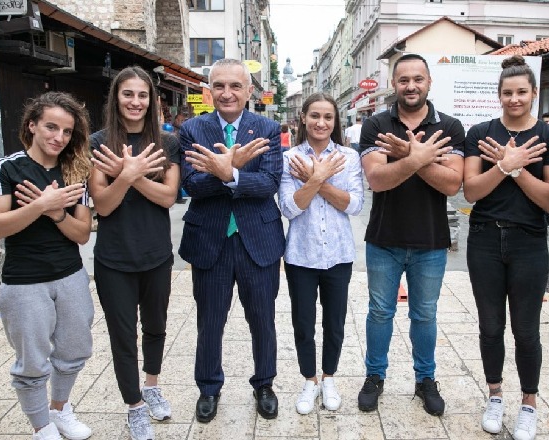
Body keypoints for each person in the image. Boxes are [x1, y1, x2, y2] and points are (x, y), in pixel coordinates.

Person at [463, 55, 549, 440]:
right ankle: (494, 394)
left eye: (522, 91)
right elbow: (471, 190)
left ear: (534, 93)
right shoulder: (480, 132)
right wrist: (503, 166)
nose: (514, 99)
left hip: (529, 242)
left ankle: (528, 403)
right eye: (507, 92)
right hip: (485, 238)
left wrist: (518, 167)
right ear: (498, 94)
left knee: (526, 330)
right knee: (490, 326)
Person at [356, 53, 465, 416]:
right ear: (394, 84)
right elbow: (377, 179)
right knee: (379, 313)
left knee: (424, 316)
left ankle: (425, 380)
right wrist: (420, 159)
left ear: (429, 82)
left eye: (418, 79)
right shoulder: (376, 125)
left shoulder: (450, 127)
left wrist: (408, 158)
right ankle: (374, 376)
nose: (411, 86)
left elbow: (452, 184)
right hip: (384, 238)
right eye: (403, 80)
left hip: (431, 241)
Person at [0, 91, 94, 440]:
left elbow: (81, 234)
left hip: (71, 276)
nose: (58, 137)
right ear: (31, 125)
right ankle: (41, 427)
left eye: (66, 131)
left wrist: (56, 211)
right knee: (31, 362)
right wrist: (41, 204)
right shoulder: (5, 168)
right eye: (50, 127)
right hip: (24, 281)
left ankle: (59, 410)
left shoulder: (77, 170)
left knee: (75, 350)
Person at [179, 58, 285, 423]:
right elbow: (192, 185)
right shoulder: (193, 129)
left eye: (235, 86)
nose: (227, 93)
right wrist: (227, 172)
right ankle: (208, 388)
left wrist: (230, 173)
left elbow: (269, 183)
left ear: (249, 91)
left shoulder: (268, 128)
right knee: (210, 320)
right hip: (211, 240)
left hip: (258, 239)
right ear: (209, 91)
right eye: (219, 86)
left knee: (263, 318)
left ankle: (265, 383)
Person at [88, 66, 180, 440]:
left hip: (156, 254)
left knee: (155, 327)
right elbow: (104, 206)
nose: (136, 102)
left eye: (143, 95)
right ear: (116, 98)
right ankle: (134, 406)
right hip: (114, 259)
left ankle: (152, 385)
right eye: (128, 94)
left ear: (153, 101)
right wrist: (125, 176)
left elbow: (168, 197)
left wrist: (131, 174)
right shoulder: (98, 144)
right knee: (123, 336)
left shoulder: (167, 143)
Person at [278, 93, 364, 414]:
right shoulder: (290, 159)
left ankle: (329, 377)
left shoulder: (348, 157)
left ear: (335, 121)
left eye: (328, 117)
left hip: (339, 255)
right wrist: (315, 181)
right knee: (303, 322)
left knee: (335, 322)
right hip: (300, 255)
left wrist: (316, 180)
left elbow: (355, 204)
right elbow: (289, 207)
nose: (321, 123)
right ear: (303, 117)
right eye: (315, 115)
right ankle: (309, 379)